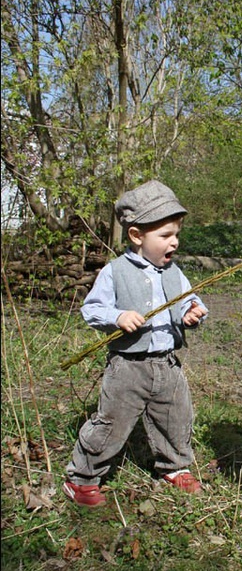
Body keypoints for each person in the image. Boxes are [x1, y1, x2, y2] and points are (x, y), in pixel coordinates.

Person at [63, 180, 208, 507]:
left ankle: (174, 467)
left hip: (167, 364)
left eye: (176, 234)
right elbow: (92, 309)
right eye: (165, 235)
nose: (175, 242)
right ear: (136, 235)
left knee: (177, 415)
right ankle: (82, 478)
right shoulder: (116, 272)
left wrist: (192, 311)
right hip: (128, 367)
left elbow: (189, 299)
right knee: (112, 422)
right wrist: (118, 317)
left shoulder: (174, 272)